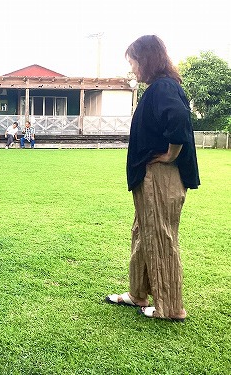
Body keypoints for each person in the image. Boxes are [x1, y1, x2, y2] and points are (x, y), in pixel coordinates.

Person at [105, 35, 200, 322]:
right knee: (142, 232)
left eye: (133, 61)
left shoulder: (164, 87)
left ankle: (170, 308)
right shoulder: (160, 87)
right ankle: (138, 293)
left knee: (160, 236)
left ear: (146, 59)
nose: (132, 68)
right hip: (149, 176)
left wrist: (172, 153)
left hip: (161, 176)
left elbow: (178, 118)